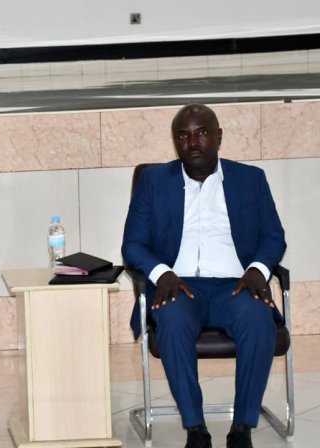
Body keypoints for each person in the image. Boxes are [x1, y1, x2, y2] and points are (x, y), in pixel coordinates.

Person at [122, 104, 286, 448]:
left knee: (258, 319)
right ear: (175, 141)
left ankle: (242, 427)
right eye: (183, 135)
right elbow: (133, 244)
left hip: (236, 284)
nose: (193, 142)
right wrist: (162, 274)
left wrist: (258, 270)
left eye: (202, 133)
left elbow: (273, 236)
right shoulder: (154, 181)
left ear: (218, 137)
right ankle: (196, 429)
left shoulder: (250, 179)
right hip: (178, 285)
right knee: (172, 319)